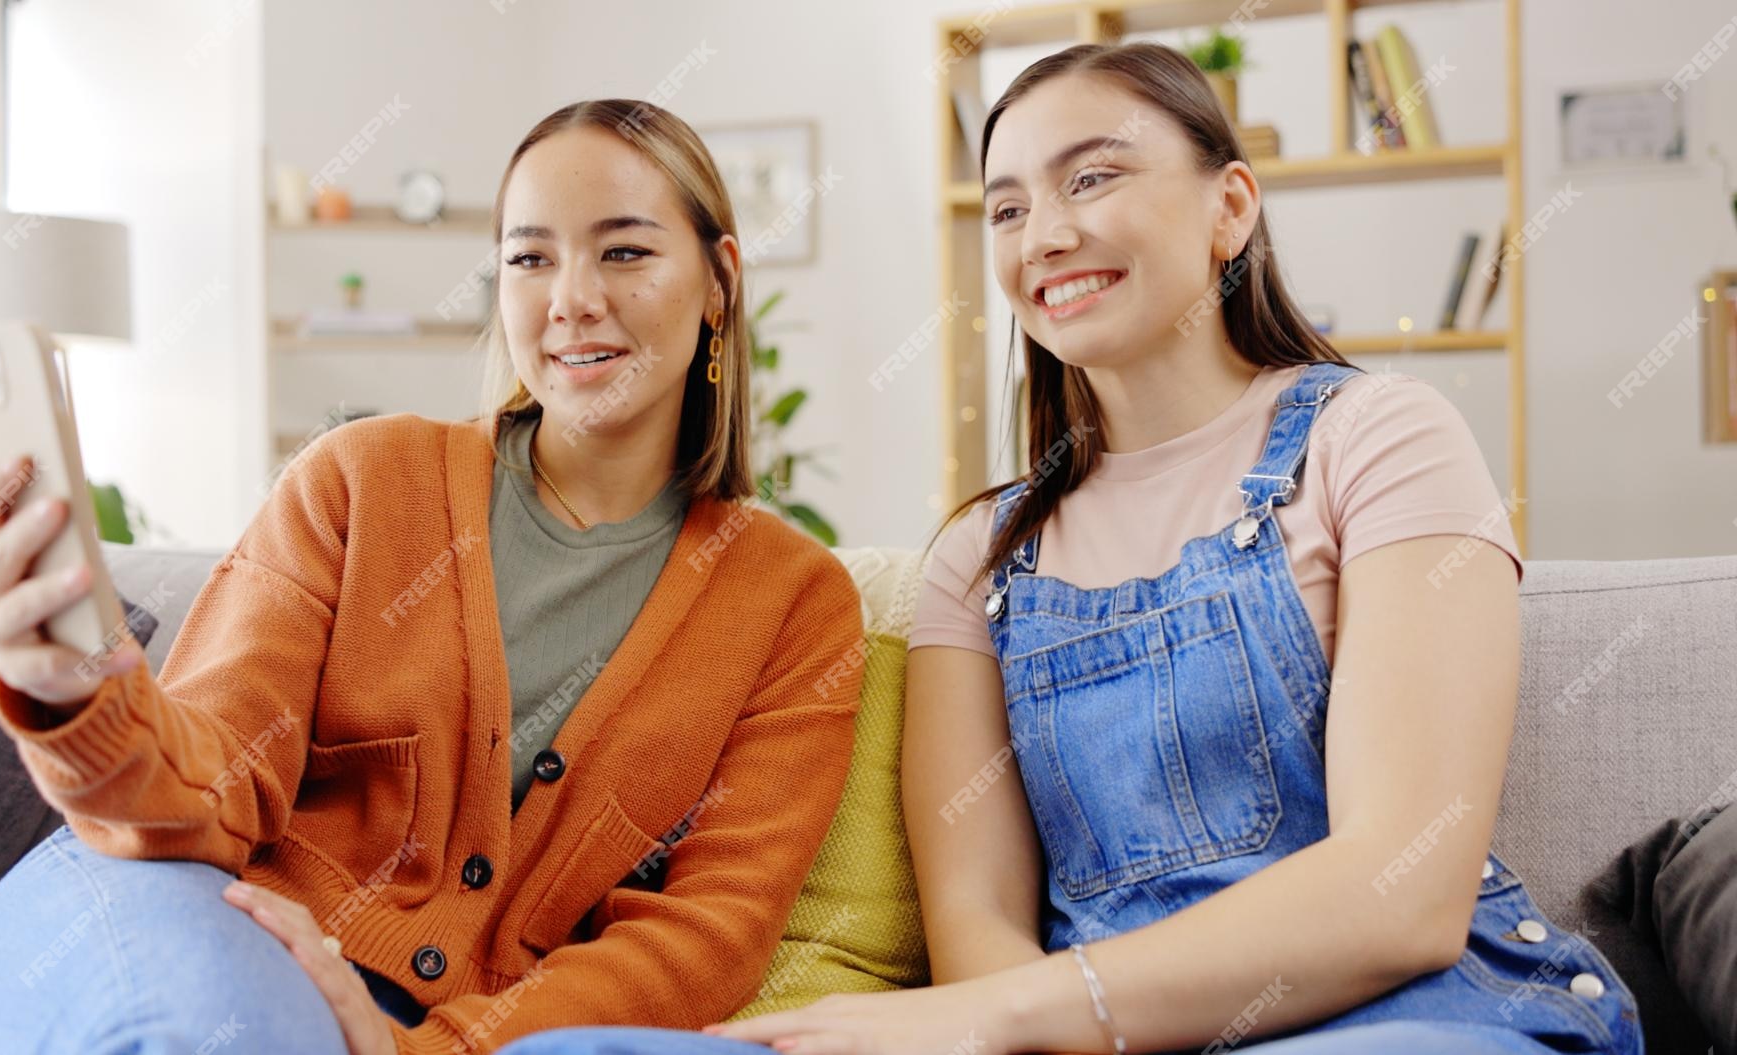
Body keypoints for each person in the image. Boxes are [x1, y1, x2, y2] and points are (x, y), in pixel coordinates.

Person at [501, 42, 1641, 1055]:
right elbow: (977, 935)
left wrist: (1020, 1013)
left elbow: (1401, 891)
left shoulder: (1376, 439)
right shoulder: (982, 558)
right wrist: (1013, 1014)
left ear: (1228, 206)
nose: (1044, 234)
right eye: (1004, 208)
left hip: (1414, 1017)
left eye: (1091, 178)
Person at [0, 98, 865, 1055]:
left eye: (623, 252)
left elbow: (705, 935)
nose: (570, 298)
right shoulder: (361, 478)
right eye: (529, 257)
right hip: (239, 925)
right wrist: (87, 694)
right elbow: (216, 778)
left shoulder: (793, 601)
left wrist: (429, 1048)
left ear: (719, 282)